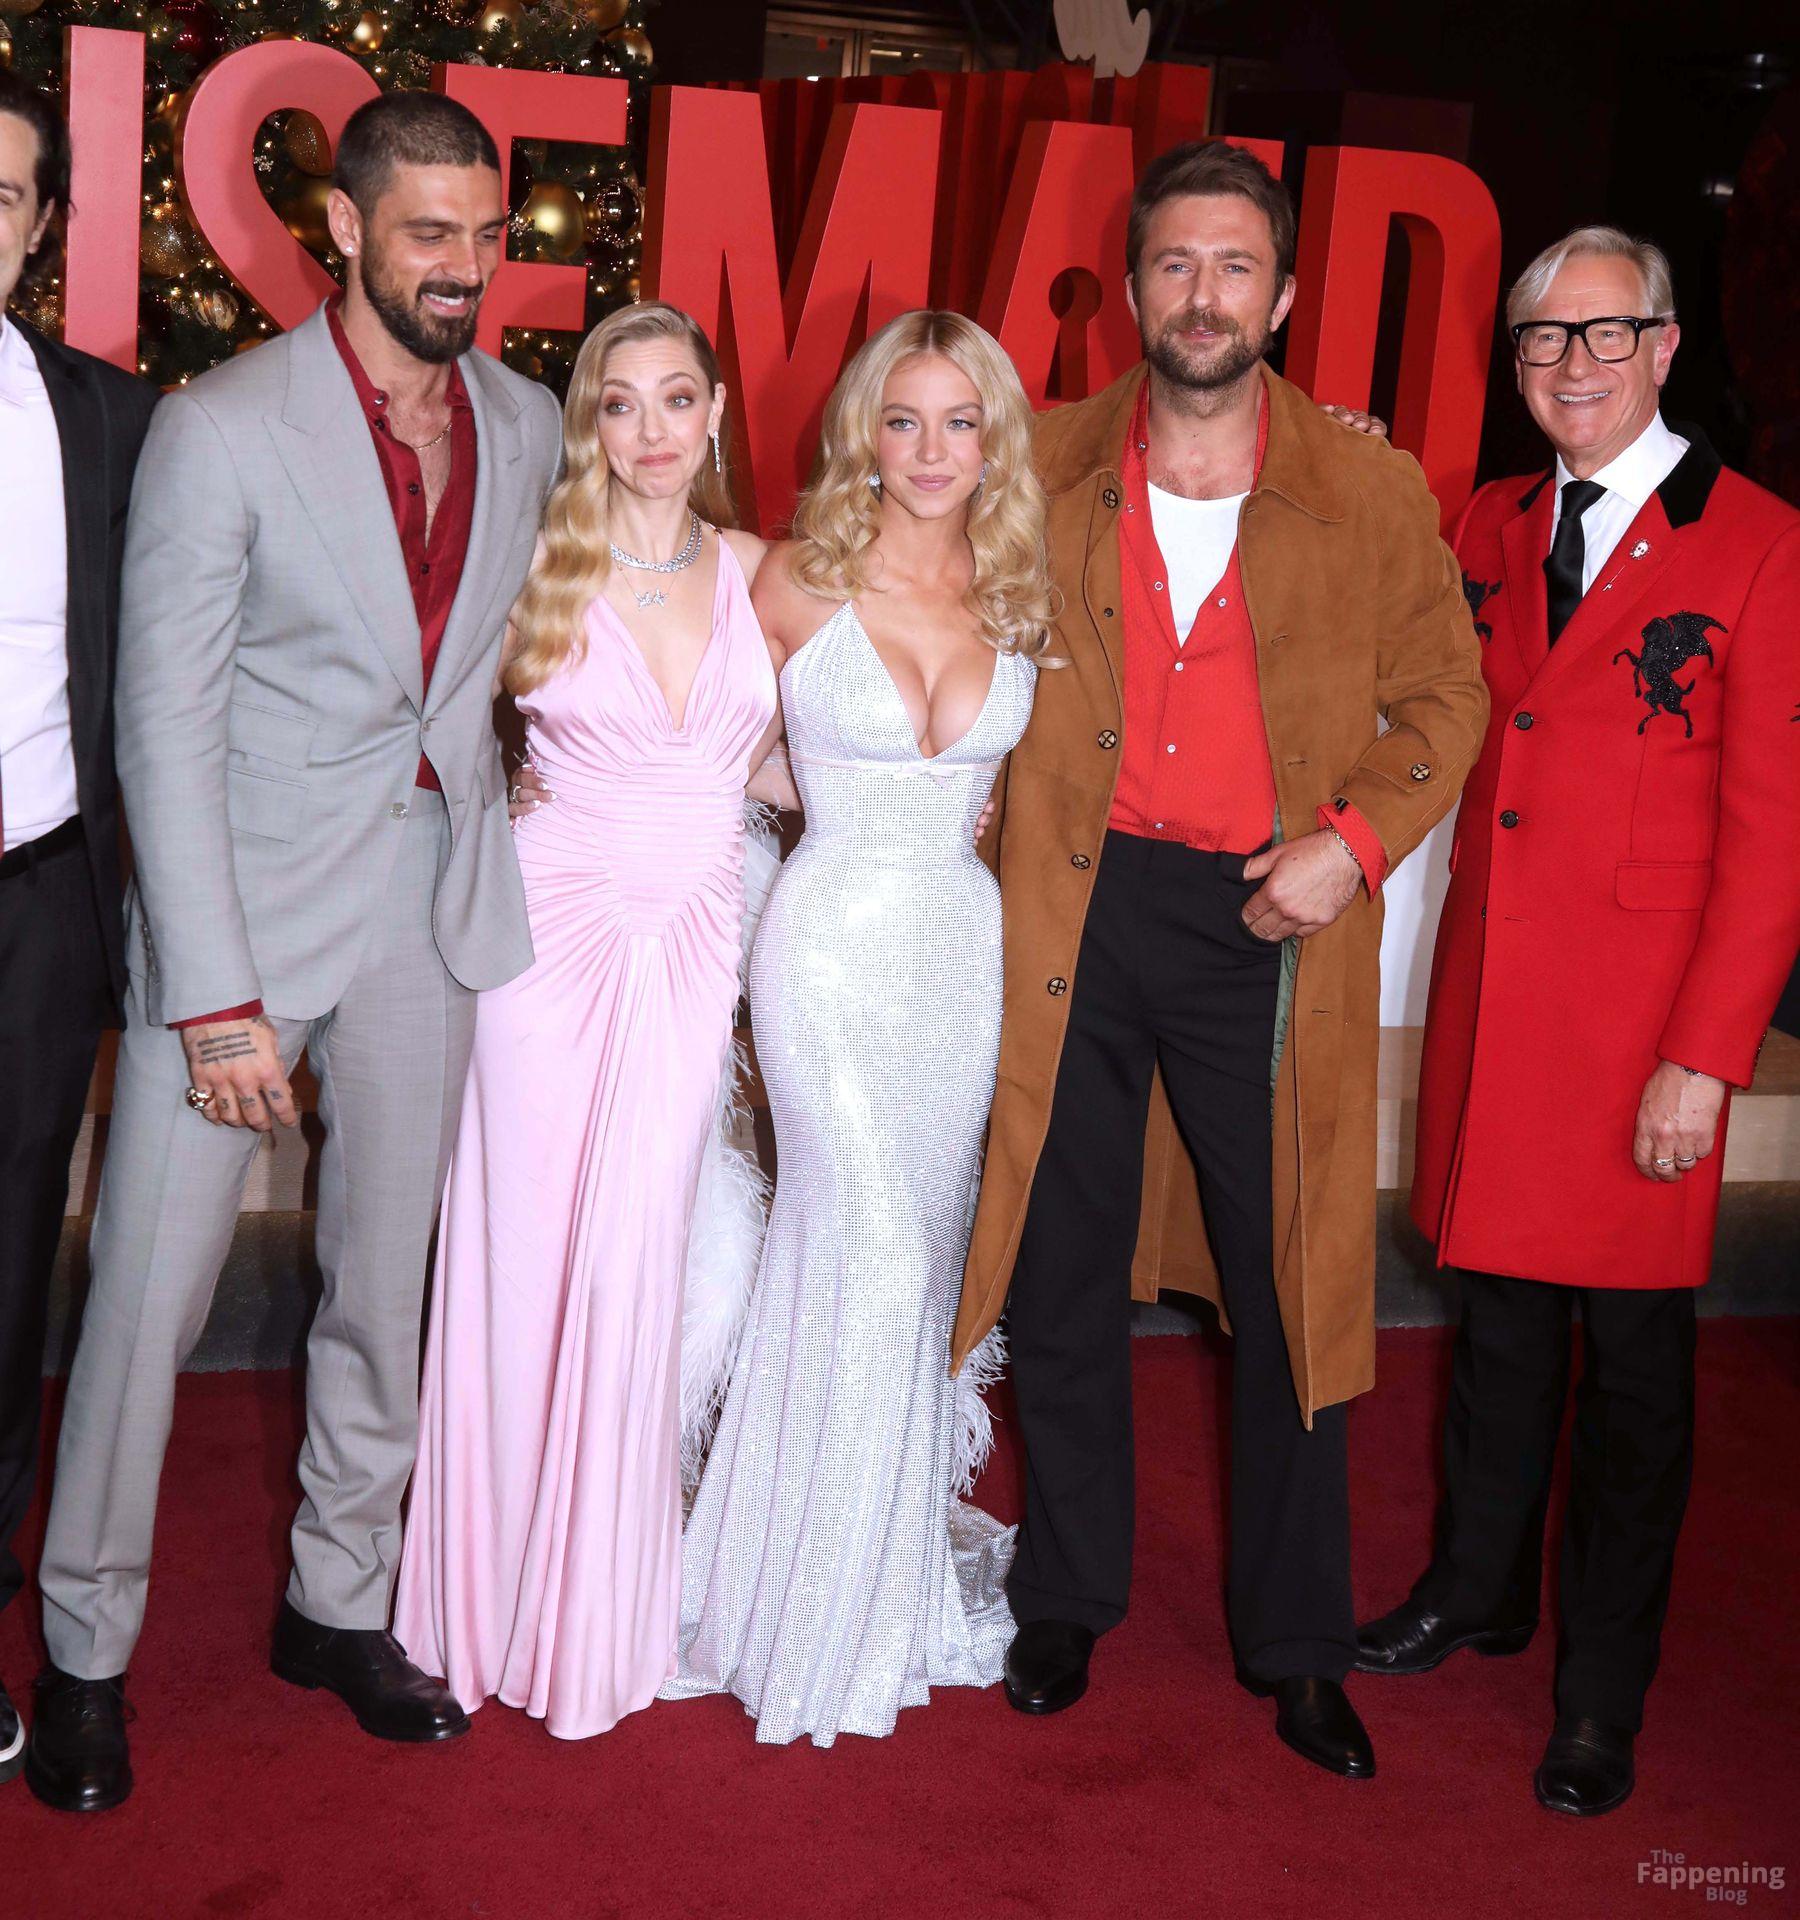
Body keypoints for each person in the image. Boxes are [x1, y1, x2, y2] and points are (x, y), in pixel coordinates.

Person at [27, 92, 562, 1813]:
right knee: (146, 1306)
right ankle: (84, 1650)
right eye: (429, 234)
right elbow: (163, 727)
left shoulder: (529, 423)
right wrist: (212, 997)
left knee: (382, 1292)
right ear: (344, 228)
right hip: (239, 925)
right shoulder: (223, 428)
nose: (465, 267)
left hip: (428, 907)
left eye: (487, 236)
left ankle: (338, 1604)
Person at [951, 140, 1489, 1778]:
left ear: (1285, 293)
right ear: (1133, 288)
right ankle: (1067, 1596)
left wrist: (1355, 842)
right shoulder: (1039, 458)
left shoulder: (1368, 487)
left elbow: (1446, 695)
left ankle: (1298, 1643)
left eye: (1235, 266)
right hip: (1070, 907)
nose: (1204, 295)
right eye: (1176, 264)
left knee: (1292, 1279)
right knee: (1062, 1264)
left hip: (1271, 915)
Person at [1357, 226, 1800, 1817]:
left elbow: (1774, 840)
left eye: (1607, 334)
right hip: (1498, 995)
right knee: (1496, 1330)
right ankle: (1478, 1590)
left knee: (1635, 1376)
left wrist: (1705, 1058)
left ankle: (1602, 1693)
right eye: (1544, 340)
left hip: (1638, 1032)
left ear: (1666, 347)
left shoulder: (1761, 544)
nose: (1573, 366)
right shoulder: (1487, 518)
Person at [660, 309, 1050, 1745]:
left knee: (915, 1265)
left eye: (960, 421)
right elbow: (694, 729)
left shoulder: (1020, 588)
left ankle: (871, 1573)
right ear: (862, 434)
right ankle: (809, 1606)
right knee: (869, 1249)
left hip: (960, 959)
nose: (931, 451)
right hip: (826, 956)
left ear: (994, 439)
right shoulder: (788, 578)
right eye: (903, 419)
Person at [392, 302, 781, 1740]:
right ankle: (475, 1601)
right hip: (545, 947)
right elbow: (423, 719)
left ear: (716, 411)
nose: (653, 430)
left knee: (634, 1262)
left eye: (678, 398)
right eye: (621, 403)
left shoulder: (761, 572)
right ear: (588, 426)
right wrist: (492, 804)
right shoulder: (538, 563)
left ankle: (591, 1609)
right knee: (515, 1262)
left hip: (692, 946)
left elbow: (791, 756)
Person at [0, 73, 157, 1792]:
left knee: (2, 1277)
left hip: (36, 902)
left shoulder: (105, 418)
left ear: (40, 226)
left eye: (0, 194)